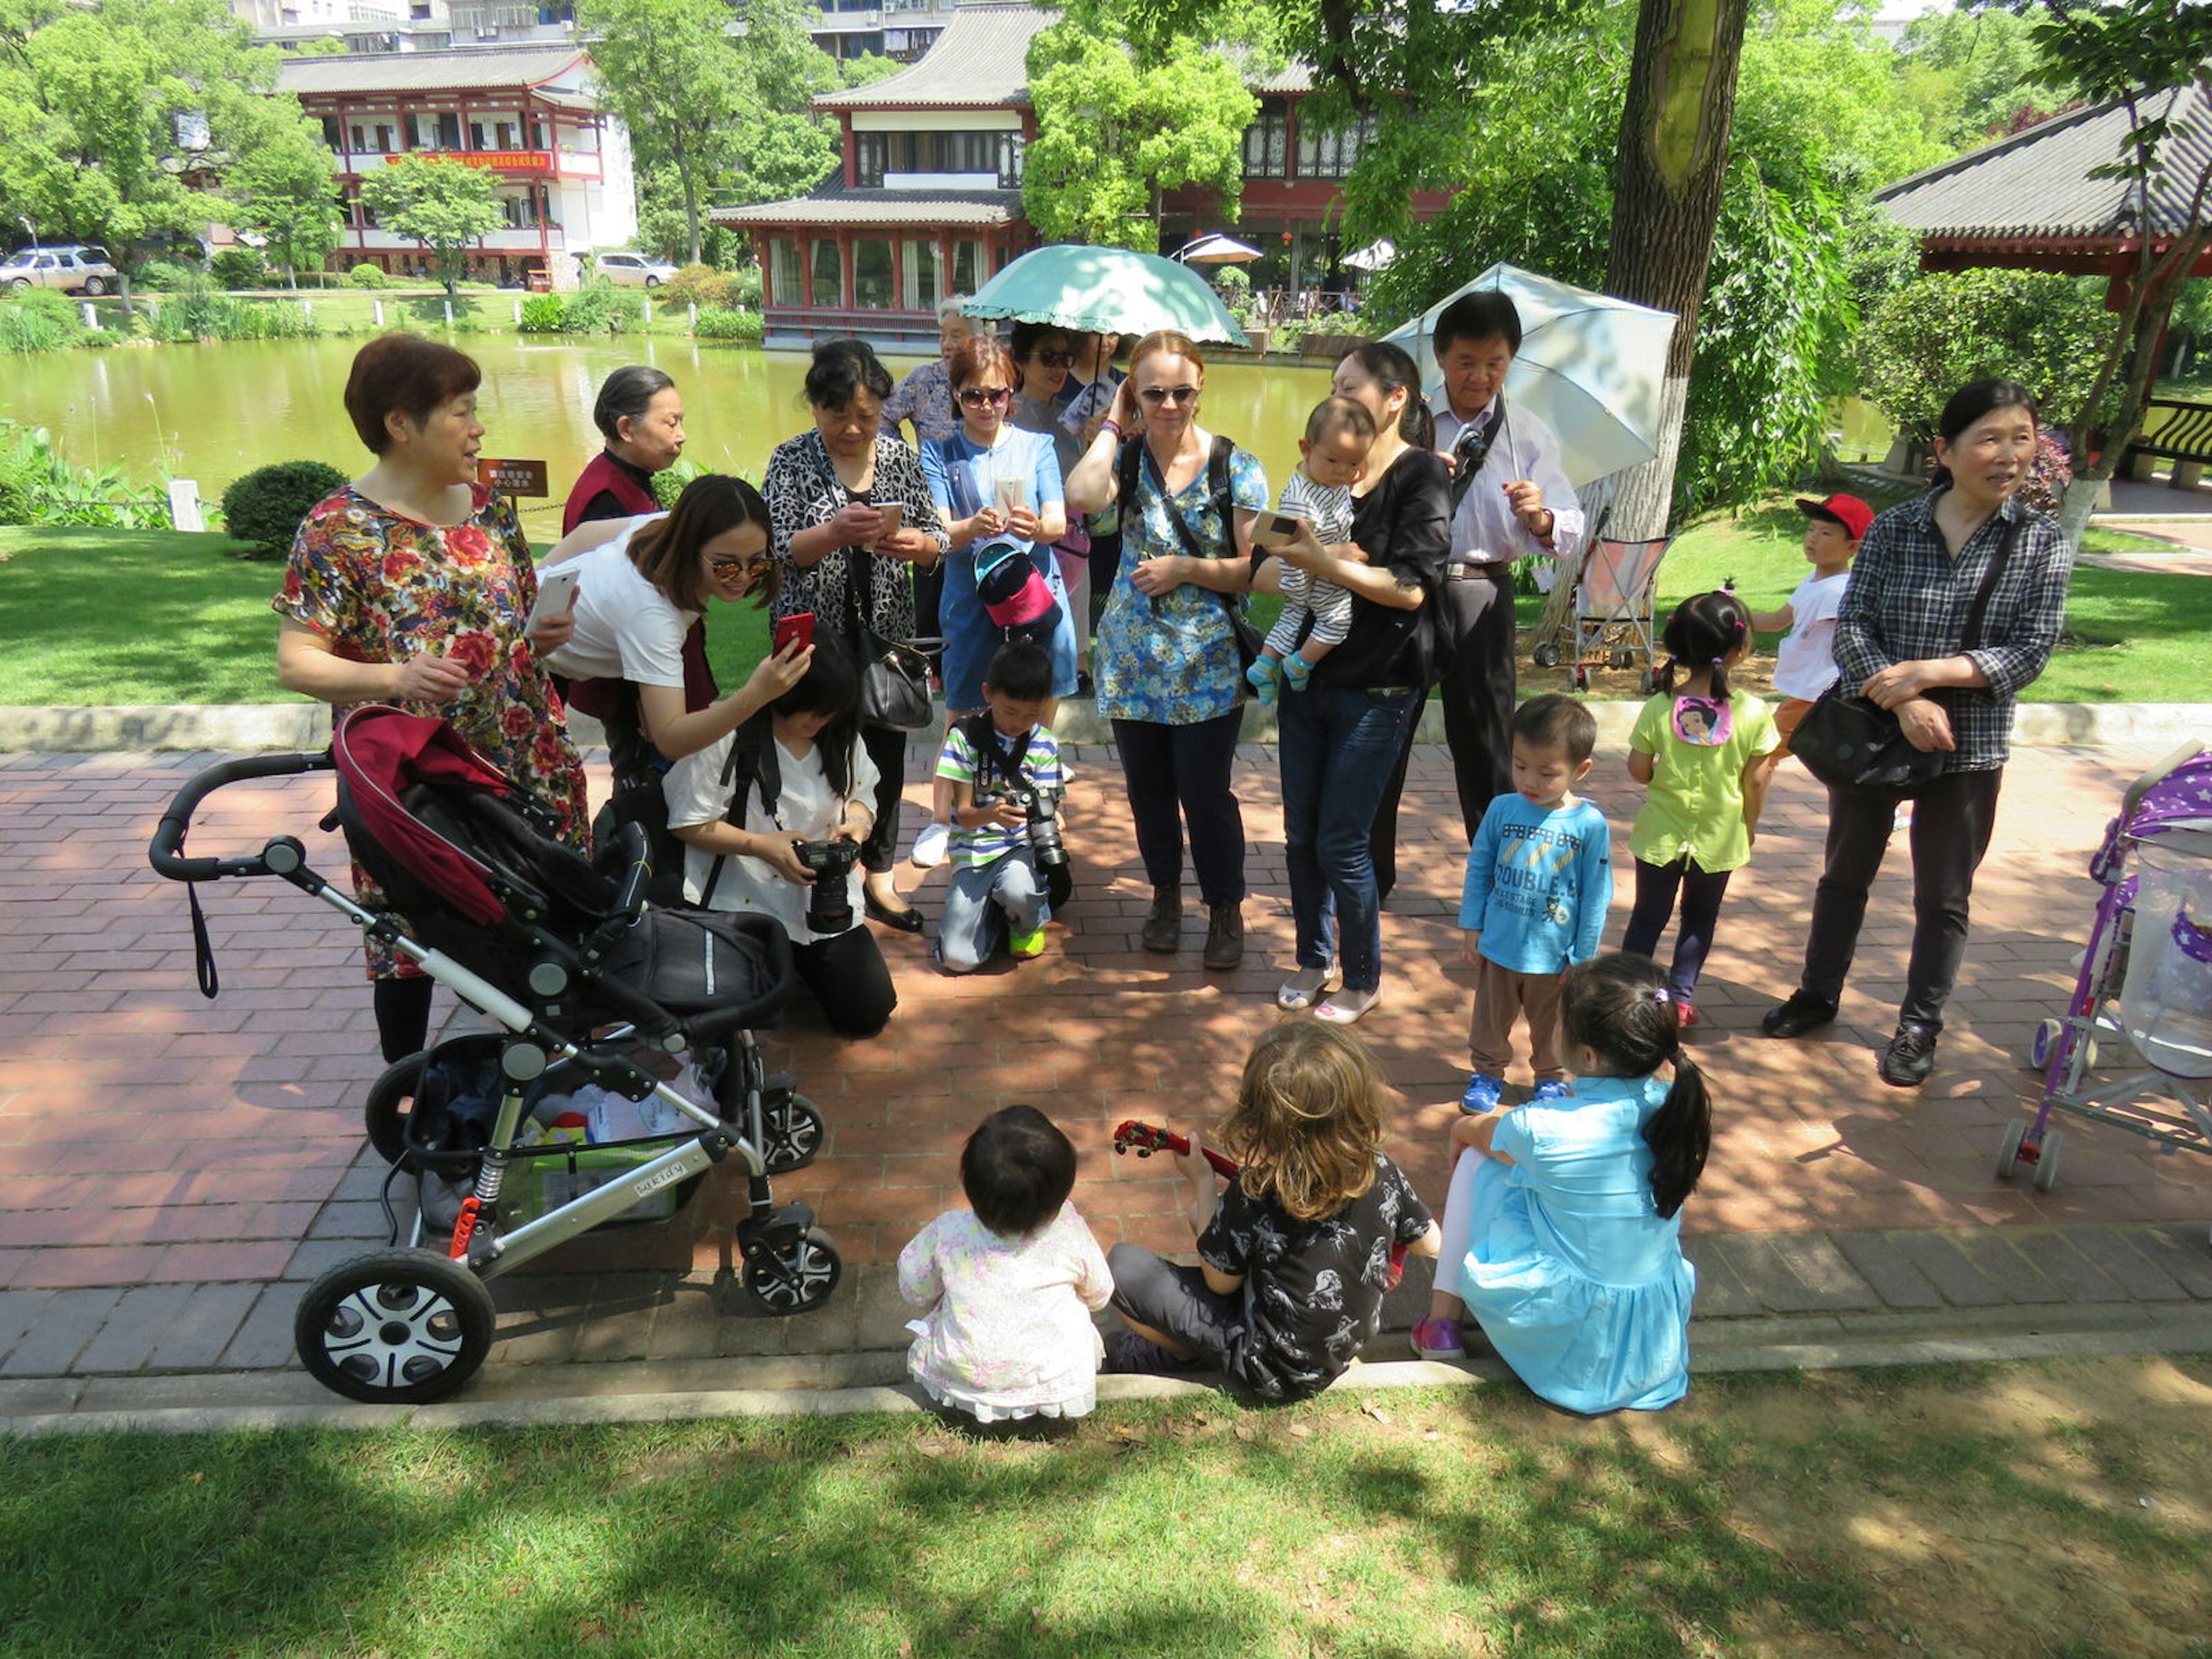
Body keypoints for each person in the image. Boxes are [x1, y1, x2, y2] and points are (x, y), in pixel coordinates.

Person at [274, 332, 588, 1065]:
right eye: (461, 411)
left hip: (525, 753)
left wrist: (538, 638)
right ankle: (409, 1091)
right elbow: (297, 662)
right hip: (417, 777)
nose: (479, 428)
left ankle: (555, 1065)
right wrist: (395, 679)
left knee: (544, 910)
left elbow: (511, 628)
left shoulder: (489, 509)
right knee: (409, 928)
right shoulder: (336, 530)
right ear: (400, 424)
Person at [1760, 379, 2073, 1087]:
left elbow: (2030, 651)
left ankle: (1918, 1027)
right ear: (1946, 449)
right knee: (1844, 874)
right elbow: (1856, 629)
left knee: (1944, 894)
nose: (2009, 455)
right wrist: (1902, 701)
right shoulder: (1898, 529)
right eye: (1990, 438)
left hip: (1972, 745)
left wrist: (1930, 675)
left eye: (2022, 438)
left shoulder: (2039, 540)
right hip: (1873, 730)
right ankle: (1817, 993)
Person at [1411, 953, 1709, 1416]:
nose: (1550, 1029)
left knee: (1478, 1161)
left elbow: (1479, 1133)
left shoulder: (1541, 1126)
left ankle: (1441, 1323)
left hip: (1575, 1350)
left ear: (1588, 1056)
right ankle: (1442, 1324)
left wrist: (1458, 1131)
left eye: (1556, 1021)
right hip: (1652, 1351)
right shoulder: (1676, 1103)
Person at [1063, 329, 1269, 969]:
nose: (1170, 404)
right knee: (1148, 791)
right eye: (1153, 392)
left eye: (1182, 391)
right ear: (1135, 392)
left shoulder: (1235, 465)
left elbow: (1259, 570)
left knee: (1206, 795)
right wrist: (1112, 425)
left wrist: (1187, 567)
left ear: (1201, 387)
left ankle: (1226, 908)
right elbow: (1079, 499)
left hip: (1207, 664)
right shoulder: (1125, 460)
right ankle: (1164, 898)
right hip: (1133, 661)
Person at [1370, 290, 1586, 902]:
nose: (1480, 377)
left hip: (1484, 597)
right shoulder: (1404, 423)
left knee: (1491, 748)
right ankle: (1369, 878)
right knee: (1385, 737)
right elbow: (1356, 496)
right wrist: (1412, 475)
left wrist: (1541, 518)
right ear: (1439, 357)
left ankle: (1498, 883)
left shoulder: (1528, 434)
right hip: (1406, 594)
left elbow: (1571, 529)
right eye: (1467, 362)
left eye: (1495, 363)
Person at [1105, 1019, 1441, 1400]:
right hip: (1341, 1347)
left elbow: (1219, 1283)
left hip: (1268, 1370)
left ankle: (1180, 1354)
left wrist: (1201, 1181)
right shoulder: (1379, 1169)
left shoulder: (1258, 1188)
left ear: (1261, 1116)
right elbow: (1431, 1244)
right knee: (1223, 1236)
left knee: (1120, 1267)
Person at [1258, 359, 1446, 1024]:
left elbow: (1413, 586)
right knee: (1301, 833)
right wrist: (1282, 549)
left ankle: (1362, 976)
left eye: (1350, 388)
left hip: (1379, 684)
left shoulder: (1420, 473)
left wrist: (1321, 560)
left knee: (1343, 839)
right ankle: (1315, 958)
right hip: (1309, 677)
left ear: (1395, 399)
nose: (1337, 399)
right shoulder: (1323, 472)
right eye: (1334, 390)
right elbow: (1274, 556)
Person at [763, 339, 951, 935]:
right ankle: (812, 868)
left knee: (886, 760)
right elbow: (774, 553)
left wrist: (917, 546)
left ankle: (878, 876)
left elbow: (936, 541)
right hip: (813, 642)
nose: (852, 428)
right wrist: (833, 534)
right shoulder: (791, 460)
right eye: (837, 414)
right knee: (810, 756)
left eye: (866, 416)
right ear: (814, 407)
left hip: (888, 641)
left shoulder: (898, 457)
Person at [662, 635, 897, 1039]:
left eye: (830, 713)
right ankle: (779, 971)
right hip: (743, 898)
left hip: (822, 900)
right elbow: (689, 822)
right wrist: (762, 847)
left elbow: (863, 795)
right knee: (735, 1026)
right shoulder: (729, 731)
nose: (817, 723)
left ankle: (795, 970)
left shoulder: (838, 734)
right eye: (810, 710)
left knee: (868, 1011)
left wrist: (857, 825)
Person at [910, 335, 1074, 869]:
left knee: (1037, 711)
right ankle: (944, 817)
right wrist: (969, 526)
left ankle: (1042, 804)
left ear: (1013, 394)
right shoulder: (937, 451)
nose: (986, 406)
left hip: (1032, 596)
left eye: (997, 395)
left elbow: (1057, 521)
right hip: (970, 598)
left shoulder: (1037, 446)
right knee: (960, 707)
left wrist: (1036, 525)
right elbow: (937, 532)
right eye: (973, 395)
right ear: (955, 396)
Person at [898, 1105, 1114, 1426]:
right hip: (1056, 1375)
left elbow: (914, 1288)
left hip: (967, 1375)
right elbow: (1100, 1293)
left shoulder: (949, 1232)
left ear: (971, 1186)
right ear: (1061, 1190)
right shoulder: (1068, 1230)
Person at [1621, 590, 1778, 1024]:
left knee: (1648, 916)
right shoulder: (1752, 712)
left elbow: (1638, 768)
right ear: (1739, 649)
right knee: (1699, 918)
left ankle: (1626, 990)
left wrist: (1658, 777)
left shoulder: (1659, 706)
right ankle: (1683, 997)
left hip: (1660, 833)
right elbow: (1758, 777)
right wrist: (1749, 824)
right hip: (1719, 835)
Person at [1458, 693, 1612, 1113]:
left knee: (1552, 1027)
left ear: (1580, 770)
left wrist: (1583, 956)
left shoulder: (1589, 825)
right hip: (1499, 944)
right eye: (1520, 765)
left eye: (1547, 773)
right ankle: (1487, 1074)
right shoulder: (1501, 809)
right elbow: (1480, 868)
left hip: (1555, 956)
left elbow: (1597, 894)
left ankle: (1549, 1079)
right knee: (1490, 1020)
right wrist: (1472, 924)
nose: (1529, 781)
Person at [932, 639, 1067, 974]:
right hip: (974, 847)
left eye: (1031, 714)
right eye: (1010, 711)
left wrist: (1053, 816)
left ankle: (1023, 920)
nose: (1019, 722)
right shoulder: (964, 737)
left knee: (1020, 890)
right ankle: (994, 912)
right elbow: (963, 815)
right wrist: (991, 814)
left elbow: (1051, 803)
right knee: (958, 959)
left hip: (1021, 846)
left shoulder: (1045, 743)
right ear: (988, 693)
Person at [1246, 395, 1378, 703]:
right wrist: (1306, 580)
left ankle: (1264, 666)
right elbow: (1294, 548)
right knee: (1338, 618)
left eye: (1354, 463)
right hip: (1314, 573)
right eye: (1333, 461)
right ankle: (1300, 664)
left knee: (1292, 618)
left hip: (1316, 568)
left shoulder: (1325, 481)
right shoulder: (1300, 499)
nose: (1343, 473)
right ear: (1306, 448)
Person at [1744, 491, 1869, 783]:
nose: (1812, 538)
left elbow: (1860, 635)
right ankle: (1877, 808)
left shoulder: (1839, 591)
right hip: (1808, 692)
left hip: (1818, 696)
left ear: (1852, 546)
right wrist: (1732, 614)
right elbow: (1777, 621)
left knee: (1761, 756)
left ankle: (1745, 824)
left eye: (1826, 533)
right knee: (1836, 762)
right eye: (1811, 529)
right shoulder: (1814, 581)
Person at [883, 296, 980, 640]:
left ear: (979, 337)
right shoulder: (925, 379)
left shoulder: (989, 379)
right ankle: (928, 663)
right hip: (932, 500)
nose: (948, 344)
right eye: (943, 335)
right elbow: (883, 416)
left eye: (958, 334)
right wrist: (906, 462)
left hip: (979, 496)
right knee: (931, 585)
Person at [563, 365, 685, 535]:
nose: (682, 436)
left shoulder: (629, 475)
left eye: (681, 422)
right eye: (671, 424)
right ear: (627, 429)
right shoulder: (604, 499)